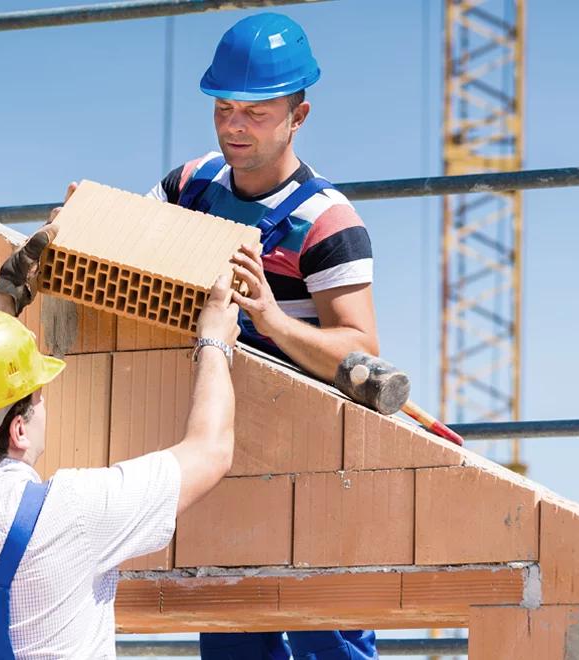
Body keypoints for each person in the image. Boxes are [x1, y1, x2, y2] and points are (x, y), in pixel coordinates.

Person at [0, 222, 242, 658]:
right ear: (18, 430)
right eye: (38, 397)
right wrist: (215, 339)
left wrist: (8, 290)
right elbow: (210, 452)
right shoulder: (69, 516)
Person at [147, 12, 381, 660]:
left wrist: (273, 320)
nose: (234, 126)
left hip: (311, 458)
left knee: (326, 636)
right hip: (224, 453)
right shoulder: (188, 188)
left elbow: (361, 351)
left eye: (255, 112)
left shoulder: (327, 222)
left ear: (297, 116)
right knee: (231, 634)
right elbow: (131, 253)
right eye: (224, 108)